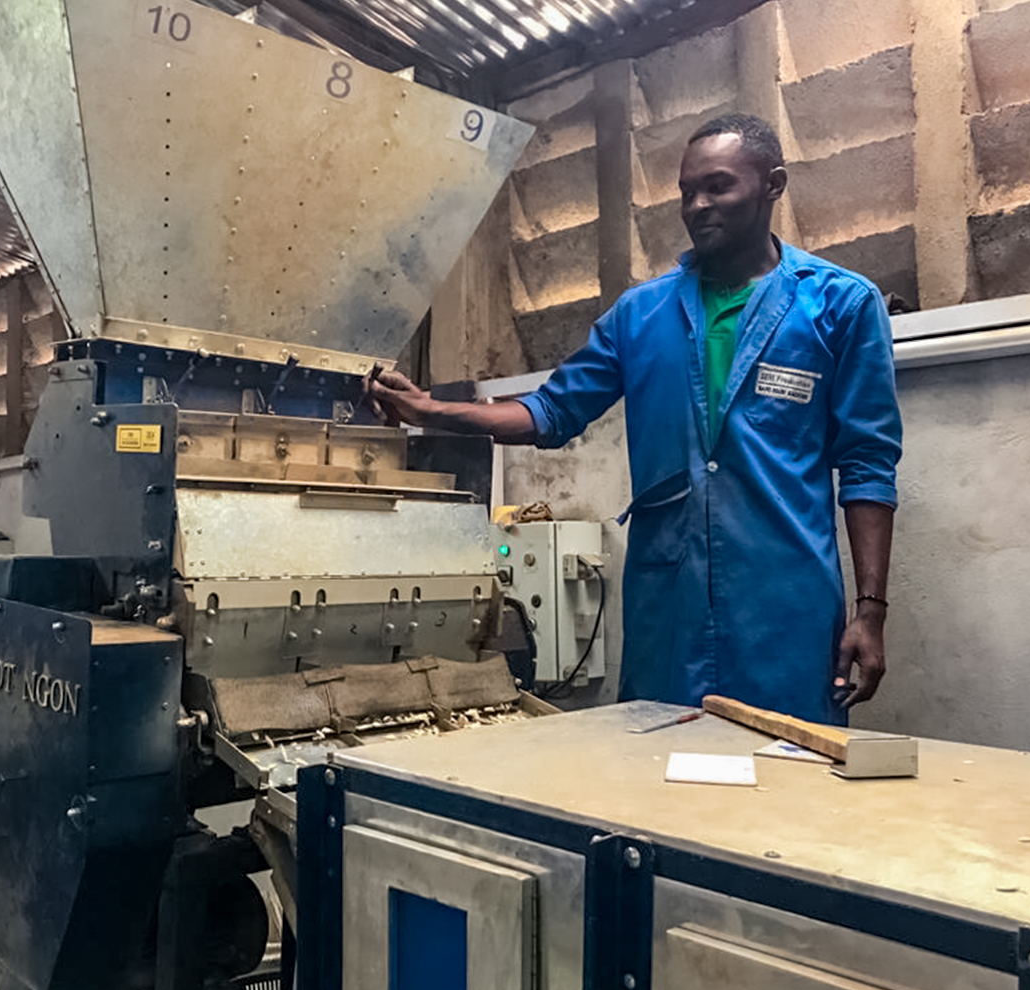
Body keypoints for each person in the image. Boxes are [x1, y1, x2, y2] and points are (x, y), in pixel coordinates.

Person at [367, 113, 901, 725]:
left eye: (718, 186)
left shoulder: (840, 305)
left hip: (787, 606)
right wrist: (430, 409)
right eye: (685, 191)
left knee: (787, 781)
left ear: (773, 184)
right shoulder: (639, 315)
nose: (697, 205)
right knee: (658, 772)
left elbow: (867, 465)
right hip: (667, 609)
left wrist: (870, 609)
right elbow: (550, 411)